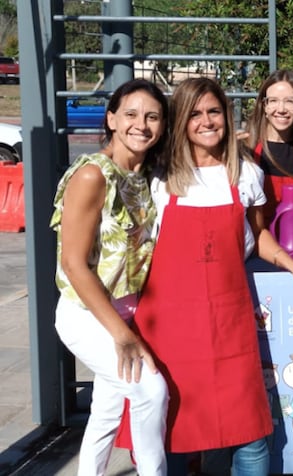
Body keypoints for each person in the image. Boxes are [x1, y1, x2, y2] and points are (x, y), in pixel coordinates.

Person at [124, 77, 293, 475]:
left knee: (251, 436)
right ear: (181, 122)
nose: (206, 121)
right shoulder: (157, 178)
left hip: (229, 322)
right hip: (170, 328)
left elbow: (258, 235)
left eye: (214, 111)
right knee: (174, 433)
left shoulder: (245, 175)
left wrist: (292, 263)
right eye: (195, 114)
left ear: (226, 115)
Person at [50, 78, 170, 476]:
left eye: (153, 116)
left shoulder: (145, 173)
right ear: (112, 119)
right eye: (131, 114)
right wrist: (123, 335)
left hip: (126, 312)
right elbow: (72, 263)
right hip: (87, 314)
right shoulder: (92, 176)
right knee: (150, 391)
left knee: (106, 409)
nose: (142, 124)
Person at [244, 69, 293, 249]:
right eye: (273, 101)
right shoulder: (247, 149)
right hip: (256, 252)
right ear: (264, 105)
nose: (281, 109)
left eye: (289, 101)